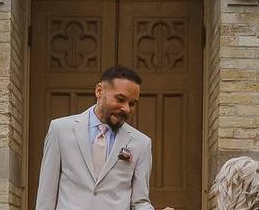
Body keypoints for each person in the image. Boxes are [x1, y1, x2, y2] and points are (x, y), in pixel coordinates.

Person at [35, 65, 173, 210]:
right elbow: (46, 195)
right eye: (120, 99)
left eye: (132, 104)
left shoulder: (142, 143)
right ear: (99, 91)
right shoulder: (60, 130)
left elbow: (139, 202)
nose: (126, 108)